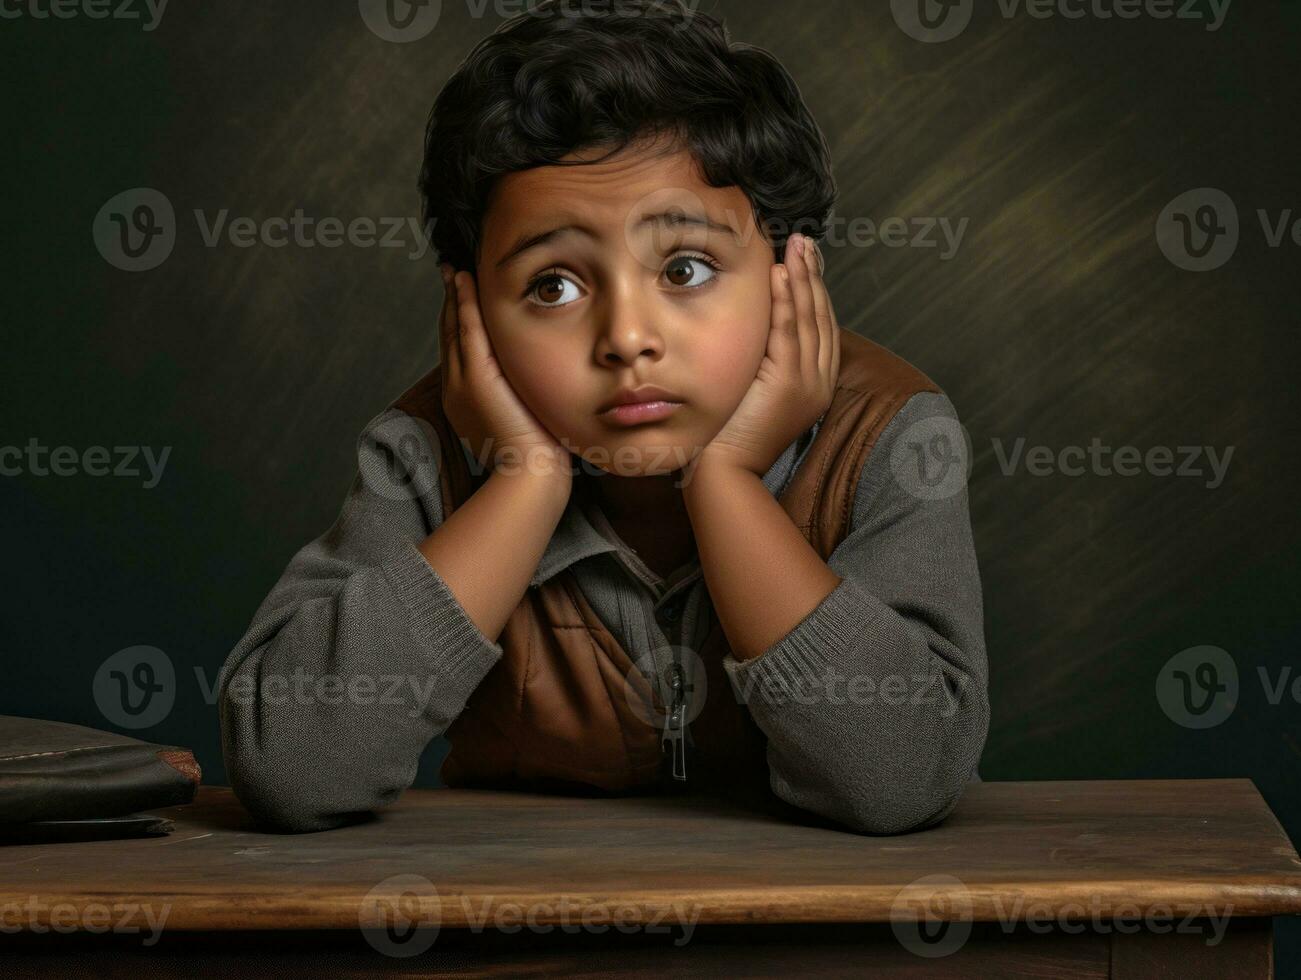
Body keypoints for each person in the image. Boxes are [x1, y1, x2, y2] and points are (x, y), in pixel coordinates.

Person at [218, 0, 988, 835]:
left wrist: (726, 483)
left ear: (785, 273)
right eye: (553, 286)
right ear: (469, 307)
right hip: (512, 929)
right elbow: (290, 769)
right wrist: (521, 480)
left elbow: (903, 778)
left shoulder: (889, 436)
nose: (626, 339)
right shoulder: (427, 450)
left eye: (686, 268)